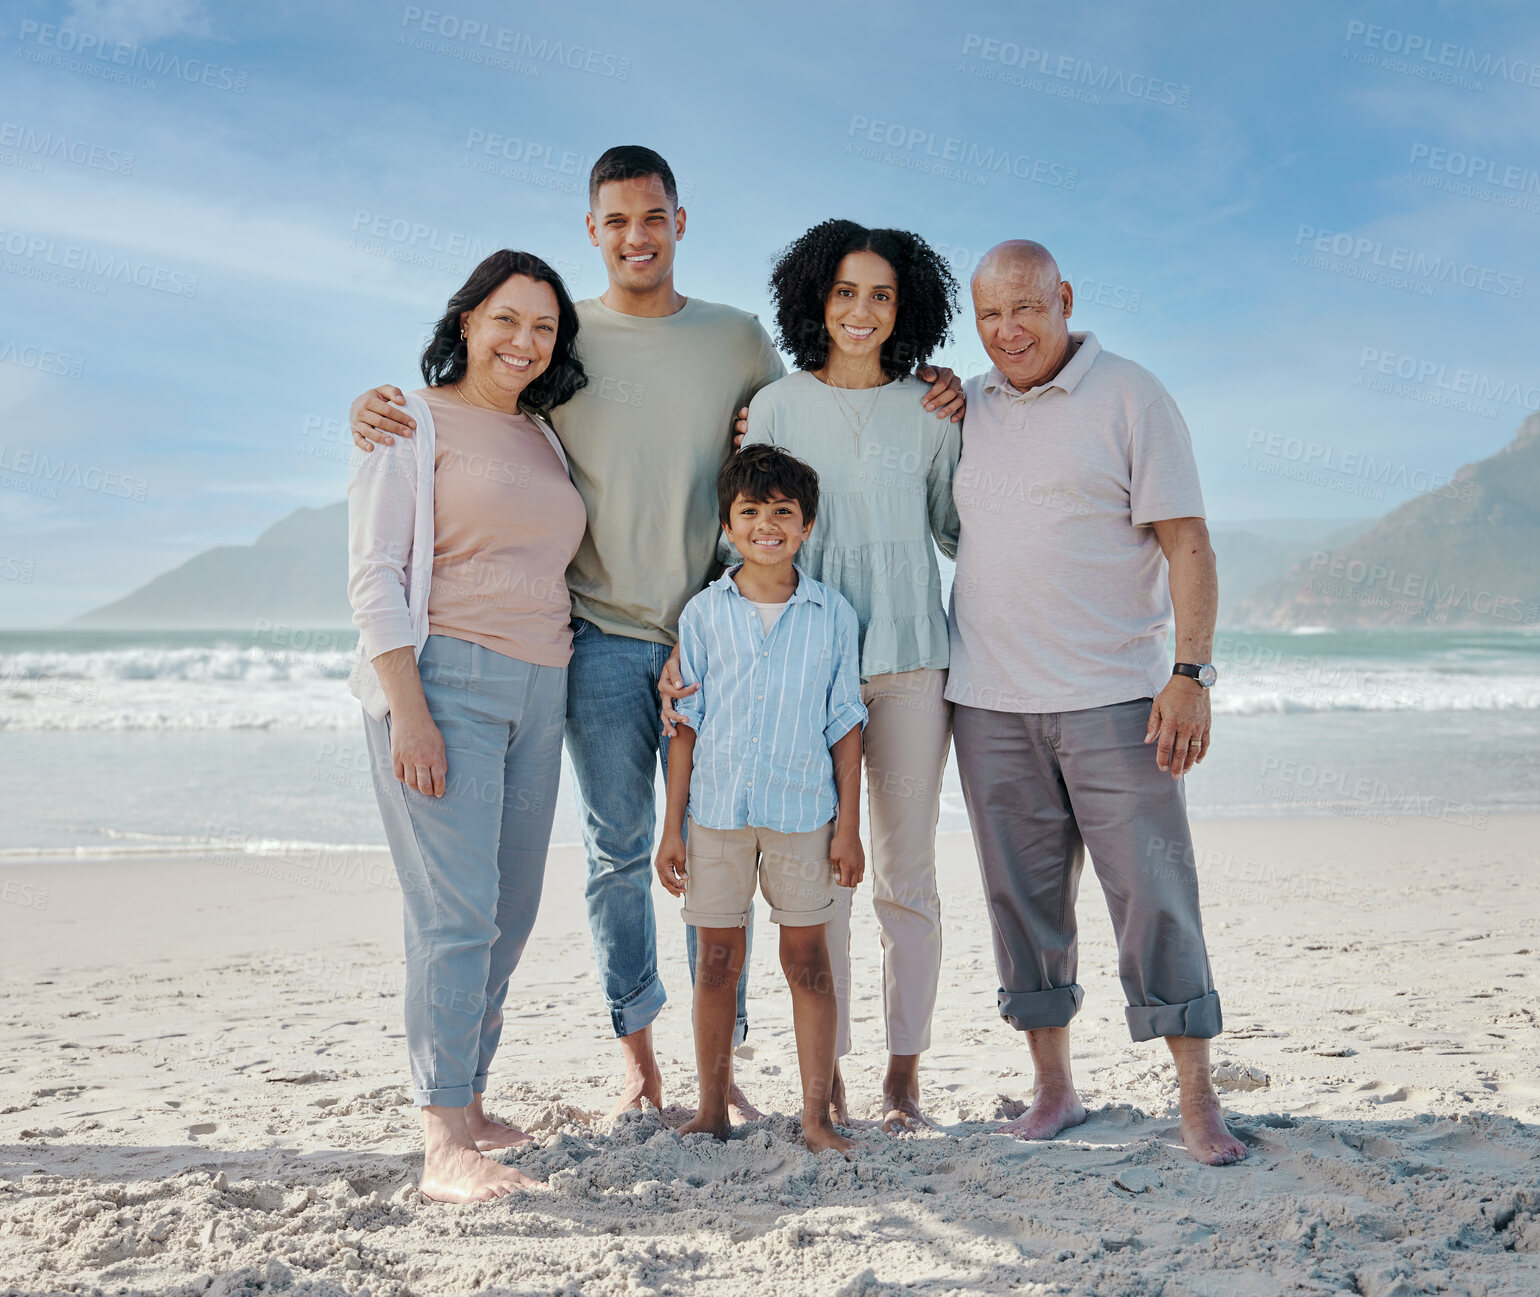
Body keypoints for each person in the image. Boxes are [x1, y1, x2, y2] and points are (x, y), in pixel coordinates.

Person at [348, 146, 965, 1120]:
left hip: (717, 629)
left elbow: (823, 388)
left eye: (653, 217)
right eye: (615, 221)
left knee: (719, 839)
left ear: (681, 221)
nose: (636, 236)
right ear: (591, 232)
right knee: (621, 850)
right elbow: (480, 414)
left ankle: (721, 1069)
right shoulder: (559, 341)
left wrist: (930, 384)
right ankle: (640, 1056)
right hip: (591, 633)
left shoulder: (734, 340)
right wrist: (383, 406)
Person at [947, 239, 1248, 1166]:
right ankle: (1055, 1089)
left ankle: (1197, 1101)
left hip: (1117, 699)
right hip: (989, 702)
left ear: (1065, 298)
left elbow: (1188, 545)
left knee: (1156, 897)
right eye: (990, 314)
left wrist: (1190, 676)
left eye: (1026, 310)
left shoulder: (1132, 396)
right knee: (1021, 903)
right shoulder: (966, 405)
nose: (1008, 333)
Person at [660, 220, 961, 1133]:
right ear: (813, 302)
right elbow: (745, 532)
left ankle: (903, 1071)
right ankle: (820, 1078)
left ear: (903, 306)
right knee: (816, 881)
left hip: (908, 660)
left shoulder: (934, 410)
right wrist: (688, 643)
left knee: (905, 875)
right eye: (843, 292)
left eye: (879, 294)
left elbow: (958, 530)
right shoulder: (778, 404)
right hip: (798, 674)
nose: (860, 311)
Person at [346, 249, 588, 1202]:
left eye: (543, 327)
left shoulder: (547, 438)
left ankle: (471, 1096)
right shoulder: (407, 418)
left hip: (543, 688)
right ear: (465, 323)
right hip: (445, 679)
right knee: (456, 913)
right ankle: (443, 1136)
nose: (524, 341)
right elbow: (373, 574)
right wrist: (408, 708)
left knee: (511, 910)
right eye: (505, 320)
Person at [655, 445, 867, 1155]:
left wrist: (849, 829)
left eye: (783, 512)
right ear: (728, 526)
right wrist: (672, 827)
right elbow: (686, 725)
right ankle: (712, 1108)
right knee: (716, 961)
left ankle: (816, 1117)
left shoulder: (831, 614)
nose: (767, 525)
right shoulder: (704, 614)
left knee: (809, 962)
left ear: (806, 526)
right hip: (714, 815)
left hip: (804, 815)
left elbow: (846, 727)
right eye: (751, 512)